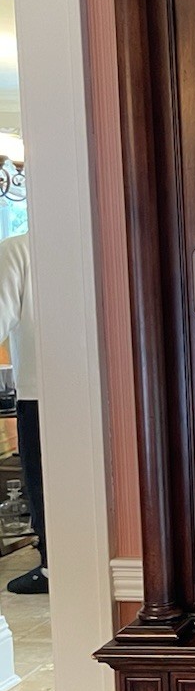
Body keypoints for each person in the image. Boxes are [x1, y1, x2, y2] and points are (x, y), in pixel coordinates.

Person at [0, 233, 46, 593]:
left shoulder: (19, 248)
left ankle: (53, 568)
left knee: (43, 484)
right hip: (107, 386)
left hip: (38, 389)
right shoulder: (105, 241)